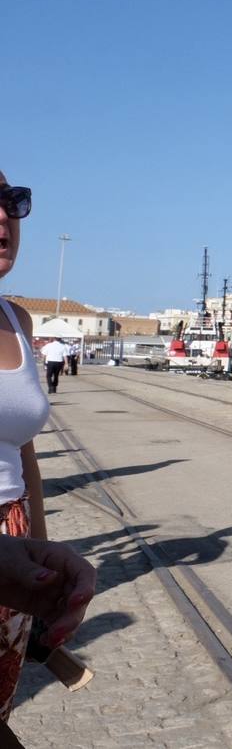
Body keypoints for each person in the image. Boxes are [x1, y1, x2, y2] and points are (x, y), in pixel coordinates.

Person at [0, 174, 55, 721]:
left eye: (12, 201)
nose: (2, 216)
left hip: (11, 533)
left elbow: (26, 451)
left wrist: (40, 545)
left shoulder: (18, 319)